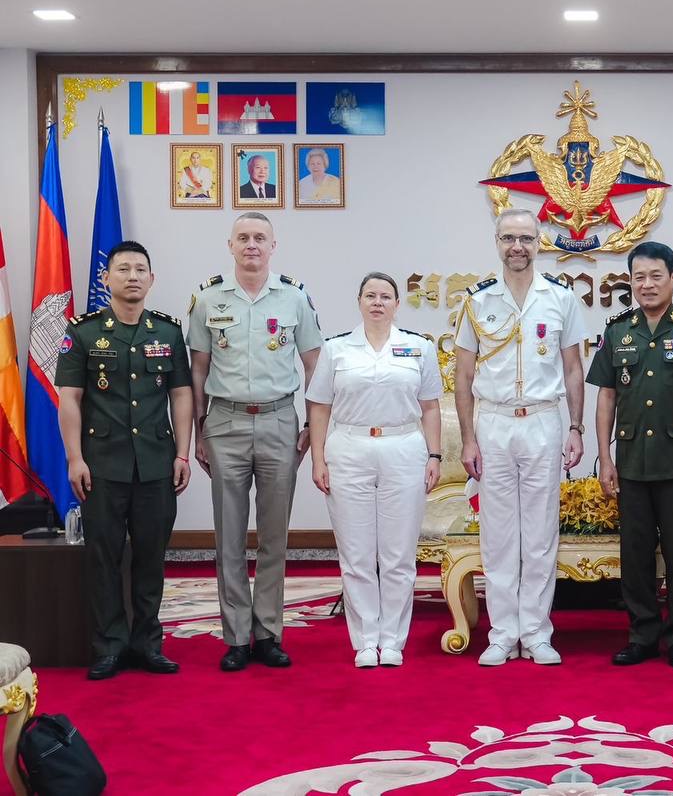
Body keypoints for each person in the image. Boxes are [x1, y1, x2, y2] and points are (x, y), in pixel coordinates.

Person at [454, 209, 590, 667]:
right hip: (493, 424)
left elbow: (573, 369)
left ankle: (535, 633)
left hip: (543, 422)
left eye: (527, 239)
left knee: (539, 534)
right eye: (509, 238)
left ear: (539, 243)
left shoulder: (560, 299)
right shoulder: (477, 301)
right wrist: (468, 439)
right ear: (497, 241)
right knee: (498, 537)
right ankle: (502, 634)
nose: (518, 246)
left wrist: (576, 427)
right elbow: (463, 375)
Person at [188, 212, 323, 672]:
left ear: (273, 246)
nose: (251, 245)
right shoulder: (208, 298)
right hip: (224, 423)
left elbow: (314, 366)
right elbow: (198, 370)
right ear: (230, 245)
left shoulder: (295, 297)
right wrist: (200, 430)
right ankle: (235, 638)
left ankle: (267, 633)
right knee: (228, 537)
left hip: (278, 421)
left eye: (260, 238)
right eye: (243, 237)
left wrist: (313, 427)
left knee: (273, 537)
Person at [54, 241, 193, 680]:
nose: (133, 276)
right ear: (106, 278)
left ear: (151, 279)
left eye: (140, 270)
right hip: (101, 465)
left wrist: (183, 453)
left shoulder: (167, 332)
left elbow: (181, 395)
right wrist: (74, 458)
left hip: (156, 463)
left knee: (151, 558)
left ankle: (148, 644)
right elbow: (70, 399)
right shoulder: (83, 332)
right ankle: (109, 646)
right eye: (123, 269)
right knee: (104, 558)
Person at [588, 241, 673, 668]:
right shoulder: (618, 330)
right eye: (639, 277)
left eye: (655, 276)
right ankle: (643, 635)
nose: (647, 285)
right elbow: (606, 397)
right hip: (632, 462)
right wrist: (605, 458)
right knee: (635, 554)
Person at [307, 273, 443, 668]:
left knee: (398, 554)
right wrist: (318, 459)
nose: (378, 302)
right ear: (359, 301)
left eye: (385, 296)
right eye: (370, 295)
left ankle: (393, 640)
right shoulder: (336, 349)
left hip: (403, 447)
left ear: (397, 304)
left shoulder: (418, 347)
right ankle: (366, 640)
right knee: (357, 554)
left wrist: (434, 455)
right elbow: (319, 407)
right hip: (349, 448)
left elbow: (430, 406)